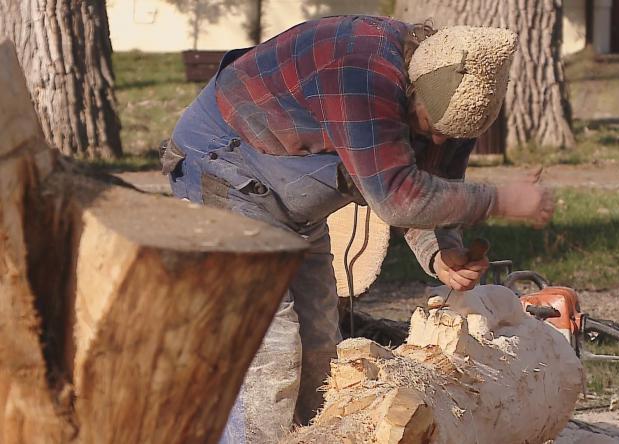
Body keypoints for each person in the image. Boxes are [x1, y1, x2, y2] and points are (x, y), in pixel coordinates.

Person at [160, 15, 555, 443]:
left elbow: (431, 183)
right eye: (430, 127)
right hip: (223, 171)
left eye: (450, 136)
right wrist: (500, 200)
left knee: (320, 351)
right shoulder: (359, 74)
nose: (438, 142)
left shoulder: (456, 106)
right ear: (411, 88)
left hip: (291, 202)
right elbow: (398, 196)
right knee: (268, 349)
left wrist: (442, 251)